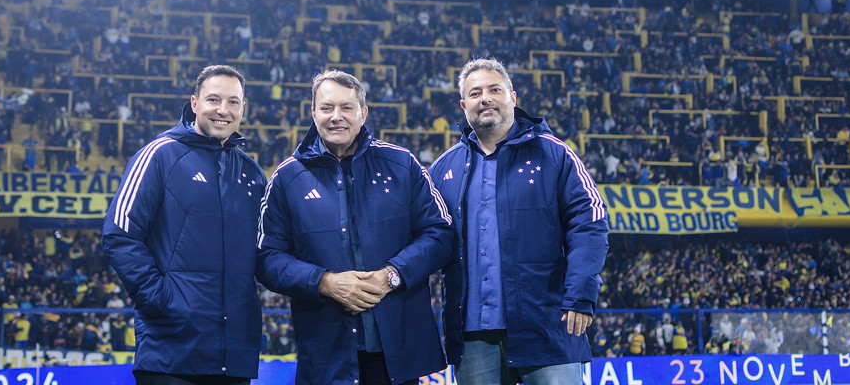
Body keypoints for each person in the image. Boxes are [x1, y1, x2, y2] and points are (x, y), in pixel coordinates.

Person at [257, 69, 454, 385]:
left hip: (396, 357)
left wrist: (392, 275)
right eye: (327, 108)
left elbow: (440, 233)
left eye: (346, 108)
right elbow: (267, 258)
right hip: (326, 357)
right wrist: (324, 282)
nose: (337, 117)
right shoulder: (286, 179)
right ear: (313, 113)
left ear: (363, 113)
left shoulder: (402, 165)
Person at [429, 58, 609, 385]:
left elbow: (590, 222)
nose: (485, 98)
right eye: (475, 93)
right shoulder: (443, 169)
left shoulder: (555, 155)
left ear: (513, 96)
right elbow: (426, 240)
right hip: (473, 333)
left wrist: (581, 294)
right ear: (463, 104)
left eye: (494, 89)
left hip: (547, 326)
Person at [103, 65, 266, 385]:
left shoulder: (252, 173)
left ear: (243, 108)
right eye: (213, 100)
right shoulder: (159, 154)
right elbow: (119, 234)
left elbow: (266, 251)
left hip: (233, 355)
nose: (223, 110)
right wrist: (161, 300)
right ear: (194, 103)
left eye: (233, 102)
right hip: (170, 352)